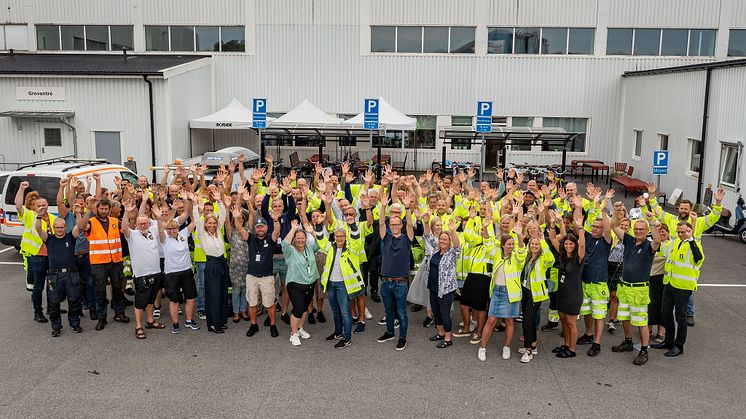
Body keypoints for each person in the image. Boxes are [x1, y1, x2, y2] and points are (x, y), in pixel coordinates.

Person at [647, 184, 724, 326]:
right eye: (681, 208)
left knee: (689, 287)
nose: (683, 210)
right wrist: (652, 196)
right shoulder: (671, 220)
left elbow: (714, 217)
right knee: (669, 290)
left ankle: (689, 313)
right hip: (672, 260)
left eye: (685, 209)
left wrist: (718, 203)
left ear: (691, 210)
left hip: (689, 262)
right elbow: (658, 211)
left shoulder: (699, 222)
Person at [609, 207, 661, 366]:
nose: (638, 232)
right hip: (625, 287)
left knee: (641, 322)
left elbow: (658, 241)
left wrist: (652, 222)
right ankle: (628, 341)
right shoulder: (629, 240)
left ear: (646, 232)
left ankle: (644, 350)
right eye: (636, 229)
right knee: (624, 316)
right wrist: (618, 212)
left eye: (641, 230)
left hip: (639, 289)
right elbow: (613, 226)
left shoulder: (649, 246)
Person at [651, 221, 705, 357]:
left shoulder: (695, 245)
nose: (681, 234)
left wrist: (691, 240)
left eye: (684, 232)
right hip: (669, 284)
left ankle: (679, 346)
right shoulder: (675, 243)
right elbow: (661, 250)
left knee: (681, 317)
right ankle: (668, 342)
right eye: (679, 232)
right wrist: (656, 230)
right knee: (665, 313)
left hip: (683, 287)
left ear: (690, 231)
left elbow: (698, 258)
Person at [478, 224, 526, 361]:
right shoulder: (497, 256)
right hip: (497, 291)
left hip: (511, 294)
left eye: (513, 244)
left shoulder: (517, 258)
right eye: (509, 244)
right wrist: (485, 228)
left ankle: (506, 347)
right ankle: (482, 348)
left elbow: (522, 251)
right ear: (503, 245)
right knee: (491, 319)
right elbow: (487, 243)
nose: (511, 246)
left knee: (509, 321)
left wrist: (519, 236)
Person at [82, 198, 130, 330]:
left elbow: (125, 229)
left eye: (106, 209)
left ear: (109, 210)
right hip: (99, 263)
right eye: (101, 209)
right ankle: (101, 318)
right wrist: (87, 211)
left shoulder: (115, 221)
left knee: (117, 288)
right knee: (100, 290)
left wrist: (126, 211)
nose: (104, 211)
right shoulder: (91, 222)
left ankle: (119, 313)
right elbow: (81, 226)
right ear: (97, 209)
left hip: (115, 261)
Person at [122, 201, 168, 339]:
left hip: (155, 271)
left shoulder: (153, 231)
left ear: (149, 223)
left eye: (145, 223)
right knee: (140, 302)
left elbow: (162, 230)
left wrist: (159, 218)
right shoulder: (132, 235)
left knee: (151, 299)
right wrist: (126, 212)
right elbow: (124, 227)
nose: (143, 225)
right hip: (141, 275)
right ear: (136, 225)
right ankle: (139, 326)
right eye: (140, 223)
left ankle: (150, 320)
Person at [376, 194, 415, 351]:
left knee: (401, 312)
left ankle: (402, 338)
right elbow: (380, 223)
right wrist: (384, 206)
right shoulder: (386, 238)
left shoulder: (406, 239)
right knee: (388, 310)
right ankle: (390, 332)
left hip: (400, 282)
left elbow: (411, 225)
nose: (394, 226)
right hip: (385, 282)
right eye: (392, 224)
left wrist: (407, 208)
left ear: (401, 225)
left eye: (397, 224)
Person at [37, 210, 85, 337]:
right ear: (53, 228)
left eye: (62, 227)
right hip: (55, 275)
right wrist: (38, 216)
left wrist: (79, 213)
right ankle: (56, 326)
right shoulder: (49, 238)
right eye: (57, 227)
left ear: (65, 227)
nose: (59, 229)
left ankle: (75, 323)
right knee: (54, 302)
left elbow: (80, 226)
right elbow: (38, 229)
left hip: (71, 274)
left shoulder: (70, 237)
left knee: (74, 300)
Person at [576, 193, 612, 357]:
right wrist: (578, 206)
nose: (596, 228)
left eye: (598, 226)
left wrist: (603, 211)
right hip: (585, 282)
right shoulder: (588, 237)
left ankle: (597, 343)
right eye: (594, 226)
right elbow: (578, 224)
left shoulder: (606, 240)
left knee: (598, 314)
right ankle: (588, 334)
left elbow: (607, 228)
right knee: (587, 312)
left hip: (599, 283)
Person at [15, 180, 56, 323]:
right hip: (37, 256)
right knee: (38, 286)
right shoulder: (30, 216)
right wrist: (21, 189)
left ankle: (52, 307)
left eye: (44, 205)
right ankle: (38, 312)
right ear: (35, 207)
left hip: (51, 257)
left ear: (47, 206)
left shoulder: (52, 218)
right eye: (39, 205)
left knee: (52, 284)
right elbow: (18, 206)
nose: (41, 207)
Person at [548, 207, 585, 358]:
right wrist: (553, 223)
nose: (568, 246)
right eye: (566, 244)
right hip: (562, 294)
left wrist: (580, 228)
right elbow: (552, 238)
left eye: (571, 244)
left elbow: (582, 245)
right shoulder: (563, 255)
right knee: (563, 321)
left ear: (575, 245)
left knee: (571, 323)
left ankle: (572, 349)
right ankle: (565, 344)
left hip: (573, 295)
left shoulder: (578, 258)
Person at [190, 190, 229, 333]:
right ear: (205, 224)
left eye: (214, 222)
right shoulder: (202, 232)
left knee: (222, 293)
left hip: (222, 263)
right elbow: (197, 218)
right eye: (209, 223)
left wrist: (219, 201)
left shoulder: (218, 230)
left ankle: (221, 320)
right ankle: (213, 324)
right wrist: (195, 205)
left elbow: (223, 215)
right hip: (211, 265)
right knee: (213, 294)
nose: (212, 225)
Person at [320, 228, 364, 349]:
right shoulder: (331, 247)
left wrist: (353, 225)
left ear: (345, 237)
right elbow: (321, 240)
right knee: (335, 311)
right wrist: (318, 227)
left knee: (345, 312)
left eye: (341, 236)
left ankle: (347, 338)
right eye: (337, 236)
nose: (339, 238)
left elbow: (356, 241)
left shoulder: (351, 249)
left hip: (343, 285)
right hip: (330, 284)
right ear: (334, 236)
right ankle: (338, 332)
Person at [158, 214, 200, 334]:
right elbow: (160, 230)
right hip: (171, 273)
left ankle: (189, 320)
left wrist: (196, 207)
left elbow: (194, 222)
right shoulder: (164, 238)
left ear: (178, 229)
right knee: (174, 300)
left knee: (190, 298)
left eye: (174, 228)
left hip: (186, 270)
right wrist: (159, 219)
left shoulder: (183, 234)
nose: (171, 231)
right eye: (169, 229)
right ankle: (175, 323)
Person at [518, 235, 556, 363]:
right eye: (532, 244)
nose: (534, 246)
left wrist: (544, 243)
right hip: (525, 292)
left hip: (536, 294)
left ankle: (528, 350)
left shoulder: (543, 258)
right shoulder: (528, 257)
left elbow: (551, 260)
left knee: (527, 321)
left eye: (537, 244)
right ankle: (532, 345)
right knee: (529, 320)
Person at [281, 220, 320, 346]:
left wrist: (312, 232)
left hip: (310, 283)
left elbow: (320, 244)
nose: (300, 240)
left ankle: (300, 329)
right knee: (298, 309)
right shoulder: (290, 250)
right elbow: (284, 243)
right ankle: (293, 334)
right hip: (295, 284)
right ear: (294, 239)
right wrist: (293, 229)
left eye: (303, 238)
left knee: (304, 308)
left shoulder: (310, 248)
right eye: (298, 238)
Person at [425, 219, 461, 348]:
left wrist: (453, 231)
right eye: (441, 239)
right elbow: (428, 236)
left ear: (449, 241)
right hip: (433, 287)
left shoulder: (452, 253)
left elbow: (457, 246)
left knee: (444, 313)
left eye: (445, 239)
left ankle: (448, 337)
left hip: (446, 289)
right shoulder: (436, 251)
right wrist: (426, 222)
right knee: (436, 312)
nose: (442, 241)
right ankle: (440, 333)